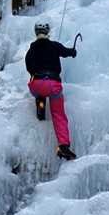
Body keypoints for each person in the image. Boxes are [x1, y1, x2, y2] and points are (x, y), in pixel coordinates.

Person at [24, 23, 78, 161]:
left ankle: (40, 109)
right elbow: (67, 52)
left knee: (40, 93)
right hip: (53, 84)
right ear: (47, 32)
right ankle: (63, 146)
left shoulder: (32, 48)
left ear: (36, 33)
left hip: (37, 84)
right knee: (58, 114)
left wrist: (36, 73)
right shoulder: (54, 45)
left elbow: (28, 66)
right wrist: (73, 51)